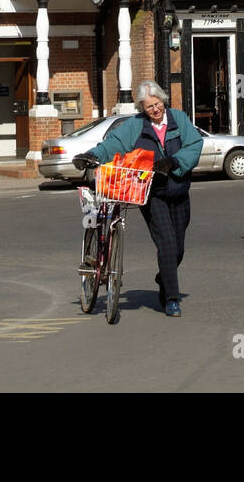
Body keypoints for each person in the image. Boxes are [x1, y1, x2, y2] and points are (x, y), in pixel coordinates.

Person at [74, 81, 202, 318]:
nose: (155, 110)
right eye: (149, 107)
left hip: (179, 190)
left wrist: (175, 161)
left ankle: (165, 276)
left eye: (157, 104)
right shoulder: (135, 125)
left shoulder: (179, 119)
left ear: (163, 100)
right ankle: (171, 299)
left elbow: (195, 144)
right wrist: (91, 155)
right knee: (166, 243)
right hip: (152, 194)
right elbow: (113, 144)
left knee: (178, 249)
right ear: (142, 109)